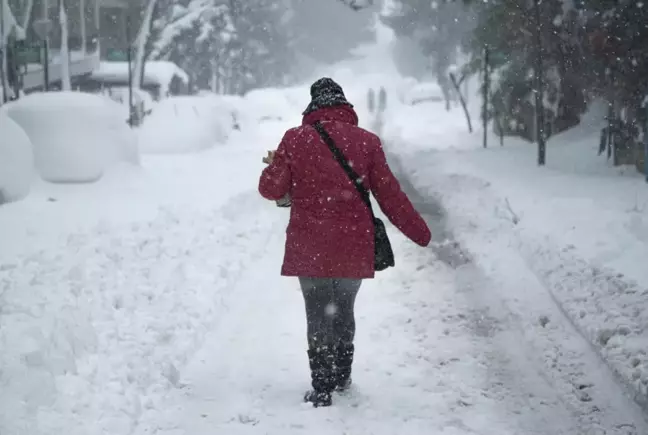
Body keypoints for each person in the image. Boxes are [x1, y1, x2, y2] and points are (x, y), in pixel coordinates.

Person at [258, 77, 431, 407]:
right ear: (345, 106)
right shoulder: (367, 142)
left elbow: (271, 190)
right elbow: (390, 196)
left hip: (310, 244)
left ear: (311, 107)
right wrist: (419, 232)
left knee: (318, 311)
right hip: (353, 243)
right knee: (343, 308)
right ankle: (342, 374)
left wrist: (275, 164)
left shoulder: (294, 140)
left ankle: (322, 387)